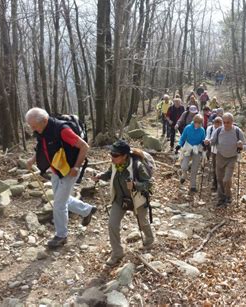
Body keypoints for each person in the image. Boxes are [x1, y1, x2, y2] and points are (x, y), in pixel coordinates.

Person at [25, 108, 96, 248]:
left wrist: (76, 167)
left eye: (33, 126)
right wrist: (33, 160)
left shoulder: (62, 130)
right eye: (30, 126)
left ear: (44, 121)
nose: (32, 129)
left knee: (59, 203)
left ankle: (61, 235)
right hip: (57, 169)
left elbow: (84, 147)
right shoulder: (42, 130)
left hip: (70, 170)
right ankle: (87, 210)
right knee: (61, 199)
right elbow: (42, 147)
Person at [93, 140, 154, 266]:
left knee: (143, 222)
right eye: (111, 154)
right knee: (112, 224)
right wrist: (100, 176)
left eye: (115, 155)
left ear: (125, 156)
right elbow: (110, 174)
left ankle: (149, 239)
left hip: (137, 199)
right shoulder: (115, 164)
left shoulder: (137, 166)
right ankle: (117, 253)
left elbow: (149, 184)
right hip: (120, 199)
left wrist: (135, 185)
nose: (112, 157)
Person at [205, 113, 246, 207]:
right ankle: (221, 199)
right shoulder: (219, 130)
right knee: (219, 179)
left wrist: (241, 146)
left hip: (232, 157)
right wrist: (208, 141)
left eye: (228, 122)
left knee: (226, 179)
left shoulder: (237, 131)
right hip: (220, 156)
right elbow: (213, 141)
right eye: (224, 122)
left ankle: (228, 196)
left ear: (232, 122)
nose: (226, 124)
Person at [175, 114, 206, 193]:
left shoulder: (202, 130)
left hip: (197, 149)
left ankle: (193, 186)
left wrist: (204, 144)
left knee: (194, 169)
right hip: (187, 147)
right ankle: (184, 175)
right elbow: (183, 138)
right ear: (194, 121)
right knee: (184, 166)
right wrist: (179, 145)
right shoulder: (188, 128)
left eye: (200, 123)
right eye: (196, 122)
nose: (198, 124)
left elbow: (203, 140)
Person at [205, 116, 223, 192]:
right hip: (213, 150)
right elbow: (207, 136)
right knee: (215, 167)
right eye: (216, 123)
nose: (218, 125)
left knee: (221, 168)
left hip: (222, 151)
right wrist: (207, 140)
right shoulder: (210, 128)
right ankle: (215, 184)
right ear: (214, 123)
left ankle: (220, 184)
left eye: (219, 123)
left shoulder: (223, 129)